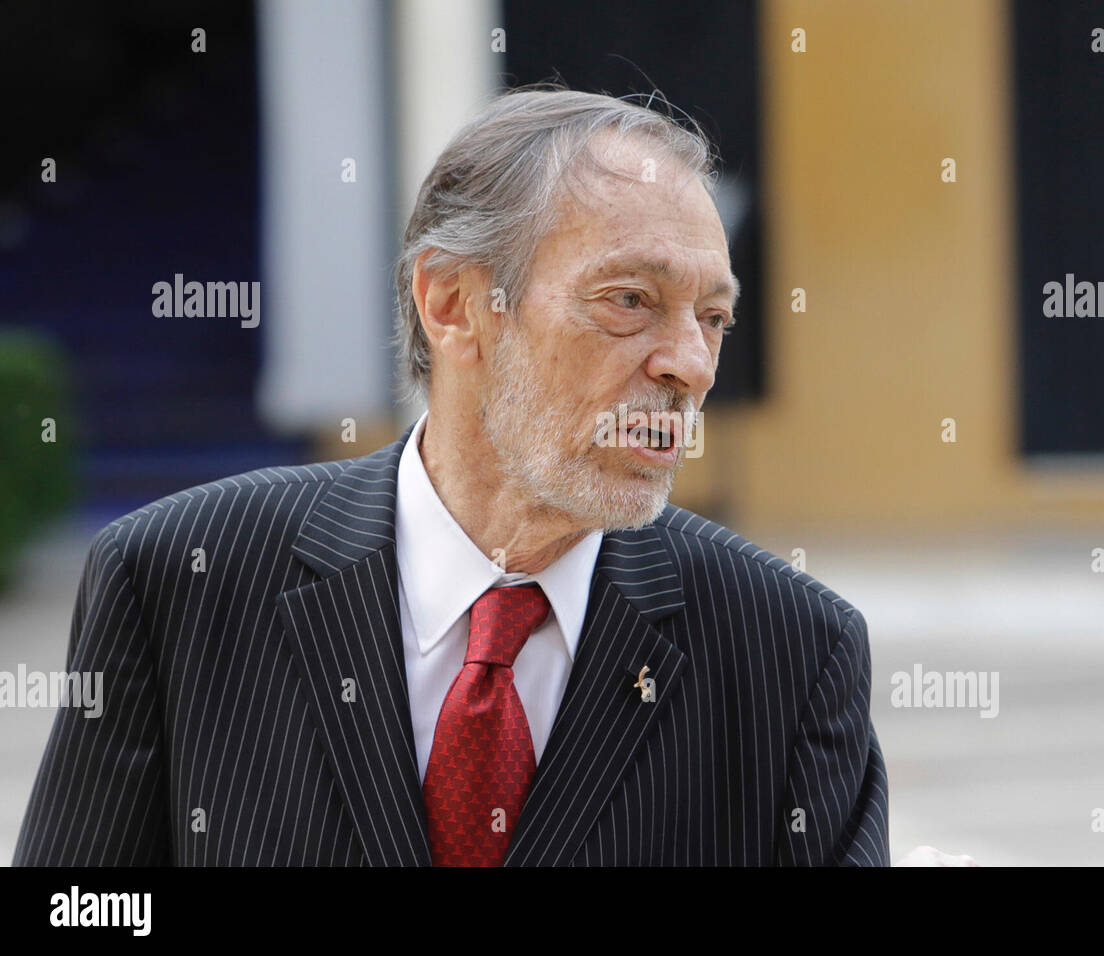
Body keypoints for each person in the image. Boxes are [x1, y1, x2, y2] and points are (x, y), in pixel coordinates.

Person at [16, 87, 902, 866]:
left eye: (713, 317)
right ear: (452, 304)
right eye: (629, 300)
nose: (689, 364)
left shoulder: (792, 649)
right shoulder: (180, 580)